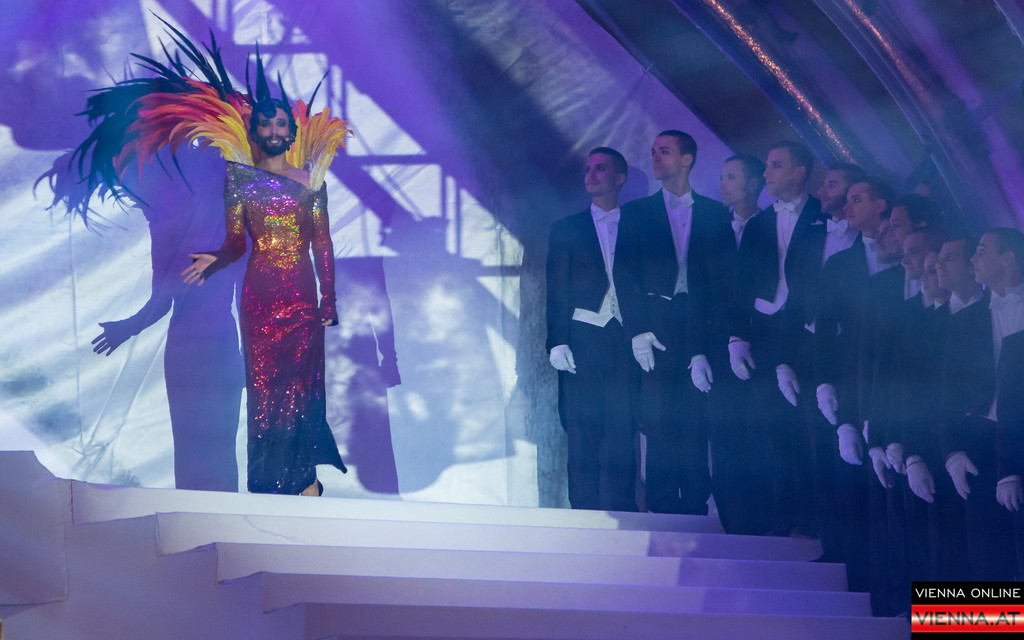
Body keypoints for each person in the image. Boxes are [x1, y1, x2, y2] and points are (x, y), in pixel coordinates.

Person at [183, 98, 347, 496]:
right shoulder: (239, 179)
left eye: (280, 124)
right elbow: (236, 244)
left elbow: (322, 243)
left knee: (302, 389)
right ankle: (266, 484)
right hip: (259, 300)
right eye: (265, 124)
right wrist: (217, 259)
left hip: (302, 298)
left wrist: (328, 297)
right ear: (255, 132)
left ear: (291, 132)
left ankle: (304, 479)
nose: (273, 131)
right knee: (264, 391)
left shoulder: (311, 180)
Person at [614, 130, 732, 515]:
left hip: (699, 322)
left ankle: (696, 505)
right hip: (654, 323)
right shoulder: (636, 213)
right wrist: (637, 330)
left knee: (697, 415)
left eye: (664, 151)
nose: (656, 158)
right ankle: (662, 505)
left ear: (687, 159)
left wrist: (715, 338)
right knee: (659, 415)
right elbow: (624, 275)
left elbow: (723, 281)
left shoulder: (715, 213)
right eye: (653, 152)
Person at [546, 147, 638, 511]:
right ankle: (582, 514)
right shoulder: (566, 228)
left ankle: (624, 513)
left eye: (600, 169)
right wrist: (557, 342)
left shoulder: (638, 224)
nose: (591, 175)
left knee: (623, 429)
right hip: (582, 337)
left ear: (620, 178)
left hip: (625, 338)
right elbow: (556, 288)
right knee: (582, 432)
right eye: (587, 169)